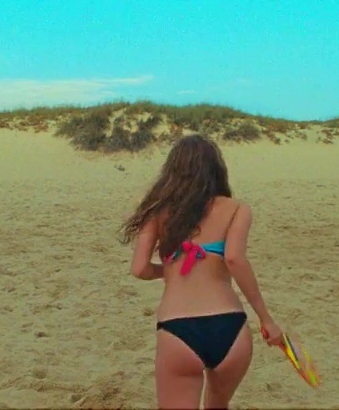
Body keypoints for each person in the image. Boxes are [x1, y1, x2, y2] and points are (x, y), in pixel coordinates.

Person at [120, 134, 284, 410]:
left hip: (178, 329)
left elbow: (139, 269)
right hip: (230, 327)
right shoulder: (237, 209)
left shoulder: (157, 211)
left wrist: (168, 271)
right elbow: (234, 259)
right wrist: (266, 319)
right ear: (217, 169)